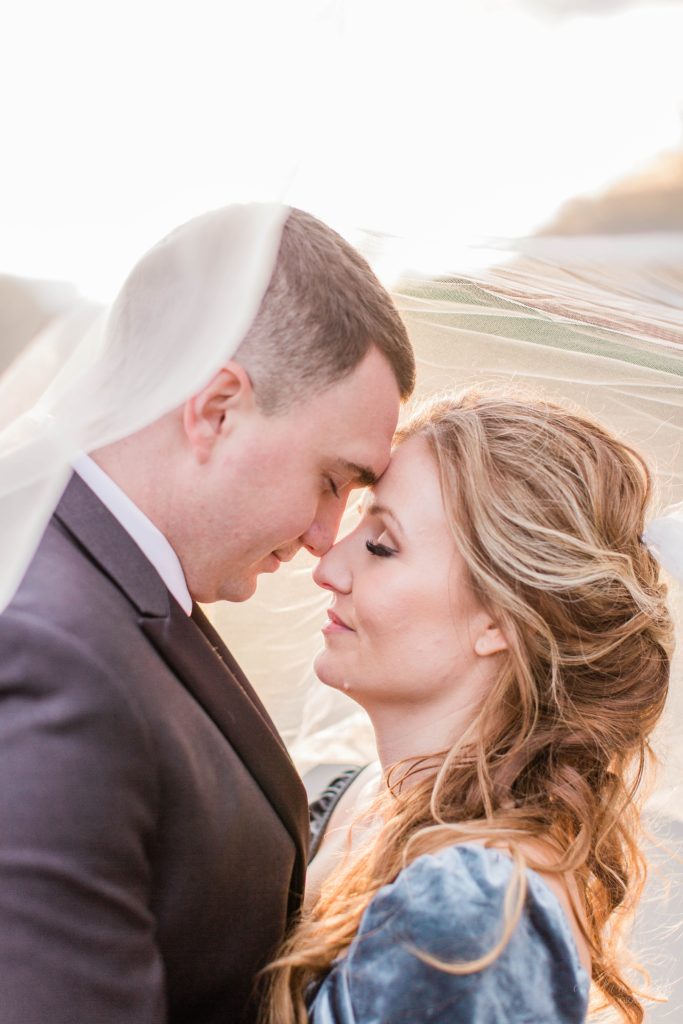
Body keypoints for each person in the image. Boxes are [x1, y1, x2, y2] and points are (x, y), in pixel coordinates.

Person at [0, 206, 415, 1024]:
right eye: (332, 480)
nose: (325, 538)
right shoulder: (46, 650)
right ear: (217, 406)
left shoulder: (106, 576)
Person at [264, 389, 674, 1024]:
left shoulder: (477, 911)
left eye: (381, 545)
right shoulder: (374, 797)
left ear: (500, 619)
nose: (327, 565)